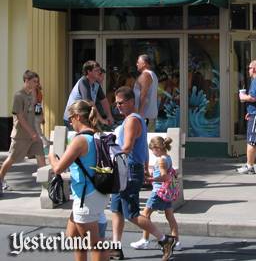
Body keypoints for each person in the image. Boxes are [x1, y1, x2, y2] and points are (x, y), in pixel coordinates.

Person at [110, 86, 175, 261]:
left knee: (131, 213)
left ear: (131, 101)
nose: (118, 106)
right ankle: (116, 248)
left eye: (121, 103)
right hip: (127, 168)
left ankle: (165, 240)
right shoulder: (136, 119)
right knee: (116, 209)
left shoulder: (132, 120)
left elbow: (128, 147)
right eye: (116, 103)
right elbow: (144, 149)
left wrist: (109, 157)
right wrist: (146, 167)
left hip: (129, 170)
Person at [48, 100, 110, 261]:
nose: (70, 122)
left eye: (70, 118)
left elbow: (58, 168)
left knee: (95, 245)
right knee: (74, 235)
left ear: (77, 116)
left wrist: (51, 156)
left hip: (86, 197)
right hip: (97, 192)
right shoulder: (97, 135)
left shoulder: (80, 140)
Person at [130, 136, 181, 251]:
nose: (152, 153)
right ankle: (176, 241)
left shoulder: (161, 160)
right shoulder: (168, 157)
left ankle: (145, 240)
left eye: (152, 150)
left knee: (145, 215)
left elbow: (164, 176)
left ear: (157, 148)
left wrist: (150, 180)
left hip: (158, 192)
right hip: (166, 192)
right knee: (170, 216)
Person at [0, 70, 46, 194]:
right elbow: (20, 117)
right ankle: (0, 179)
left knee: (41, 156)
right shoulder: (18, 96)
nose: (37, 84)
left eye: (37, 81)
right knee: (12, 159)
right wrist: (31, 132)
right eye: (34, 81)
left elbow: (36, 109)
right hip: (20, 135)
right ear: (26, 81)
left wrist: (41, 116)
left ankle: (47, 186)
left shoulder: (33, 94)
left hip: (34, 135)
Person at [64, 61, 114, 128]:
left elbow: (104, 100)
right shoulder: (83, 82)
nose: (99, 72)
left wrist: (109, 116)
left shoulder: (96, 83)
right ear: (89, 72)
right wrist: (102, 120)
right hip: (72, 119)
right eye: (96, 70)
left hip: (82, 118)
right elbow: (90, 103)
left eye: (99, 70)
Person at [133, 55, 158, 131]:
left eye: (138, 62)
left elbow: (143, 96)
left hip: (145, 118)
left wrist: (139, 116)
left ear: (144, 63)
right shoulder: (151, 74)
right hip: (148, 117)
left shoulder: (146, 75)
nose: (136, 64)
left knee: (145, 141)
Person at [33, 74, 50, 148]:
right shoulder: (38, 90)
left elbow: (35, 102)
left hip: (35, 111)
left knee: (37, 130)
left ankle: (45, 142)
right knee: (37, 129)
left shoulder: (34, 90)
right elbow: (39, 103)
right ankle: (45, 142)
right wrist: (42, 115)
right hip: (38, 110)